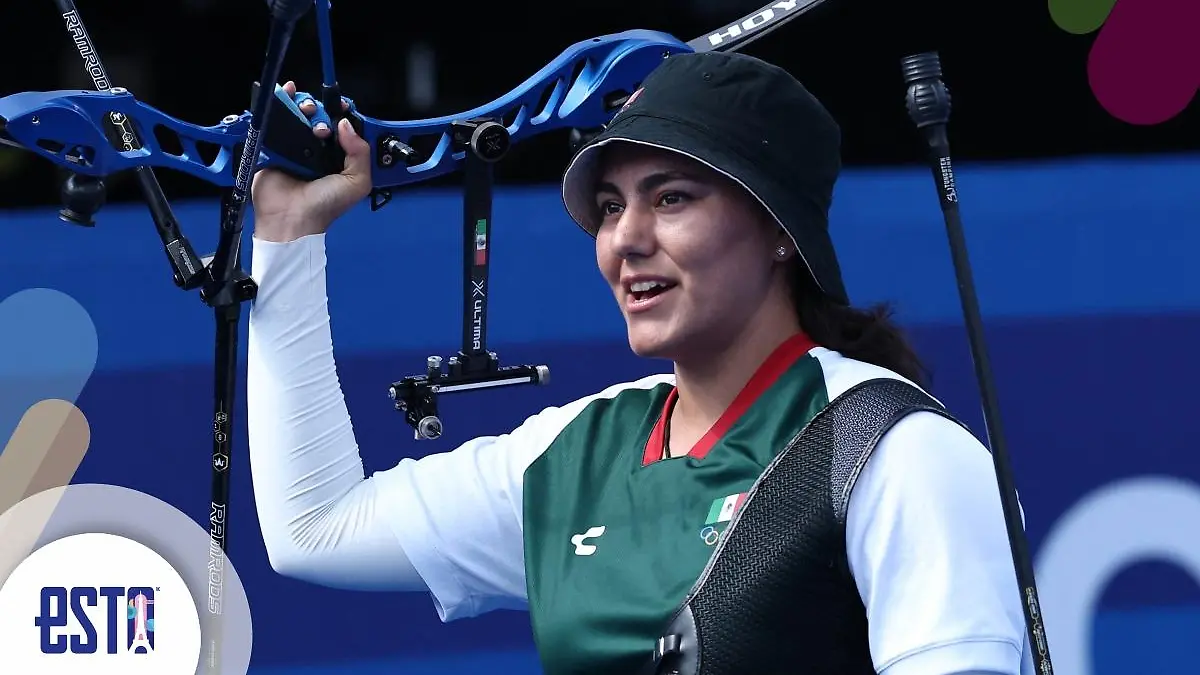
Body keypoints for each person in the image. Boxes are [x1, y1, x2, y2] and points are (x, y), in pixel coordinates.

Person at [245, 51, 1035, 675]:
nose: (625, 238)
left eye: (671, 198)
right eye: (612, 206)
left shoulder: (896, 454)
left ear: (779, 229)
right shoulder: (577, 456)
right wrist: (287, 235)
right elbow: (314, 528)